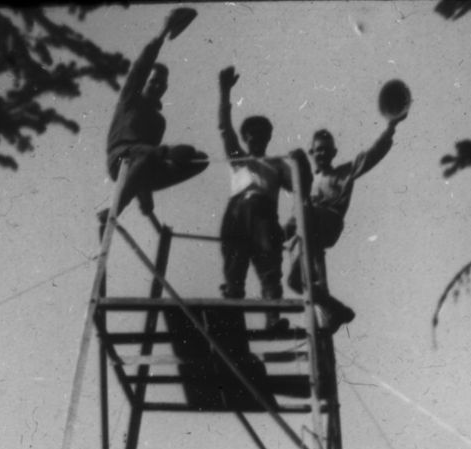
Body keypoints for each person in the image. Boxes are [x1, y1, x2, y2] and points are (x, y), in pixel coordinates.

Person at [284, 120, 399, 329]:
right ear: (312, 152)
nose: (322, 154)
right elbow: (294, 220)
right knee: (293, 281)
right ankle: (336, 309)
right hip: (308, 228)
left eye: (326, 151)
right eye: (318, 150)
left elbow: (371, 156)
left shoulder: (343, 173)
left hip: (329, 221)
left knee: (304, 210)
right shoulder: (307, 186)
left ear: (334, 153)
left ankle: (332, 308)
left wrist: (390, 128)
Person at [217, 65, 305, 337]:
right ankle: (232, 322)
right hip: (236, 213)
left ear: (268, 138)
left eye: (262, 135)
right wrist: (224, 91)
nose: (256, 139)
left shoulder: (277, 164)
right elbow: (224, 129)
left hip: (264, 215)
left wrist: (293, 220)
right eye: (251, 135)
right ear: (246, 138)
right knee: (234, 268)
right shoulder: (239, 159)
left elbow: (301, 191)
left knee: (269, 266)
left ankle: (272, 317)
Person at [105, 8, 209, 222]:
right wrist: (163, 33)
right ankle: (113, 211)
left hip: (144, 162)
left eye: (161, 83)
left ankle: (136, 189)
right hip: (120, 158)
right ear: (144, 84)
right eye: (153, 81)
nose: (157, 86)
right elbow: (142, 66)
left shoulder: (158, 122)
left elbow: (149, 158)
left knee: (199, 159)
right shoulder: (130, 100)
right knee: (155, 153)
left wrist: (145, 196)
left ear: (165, 88)